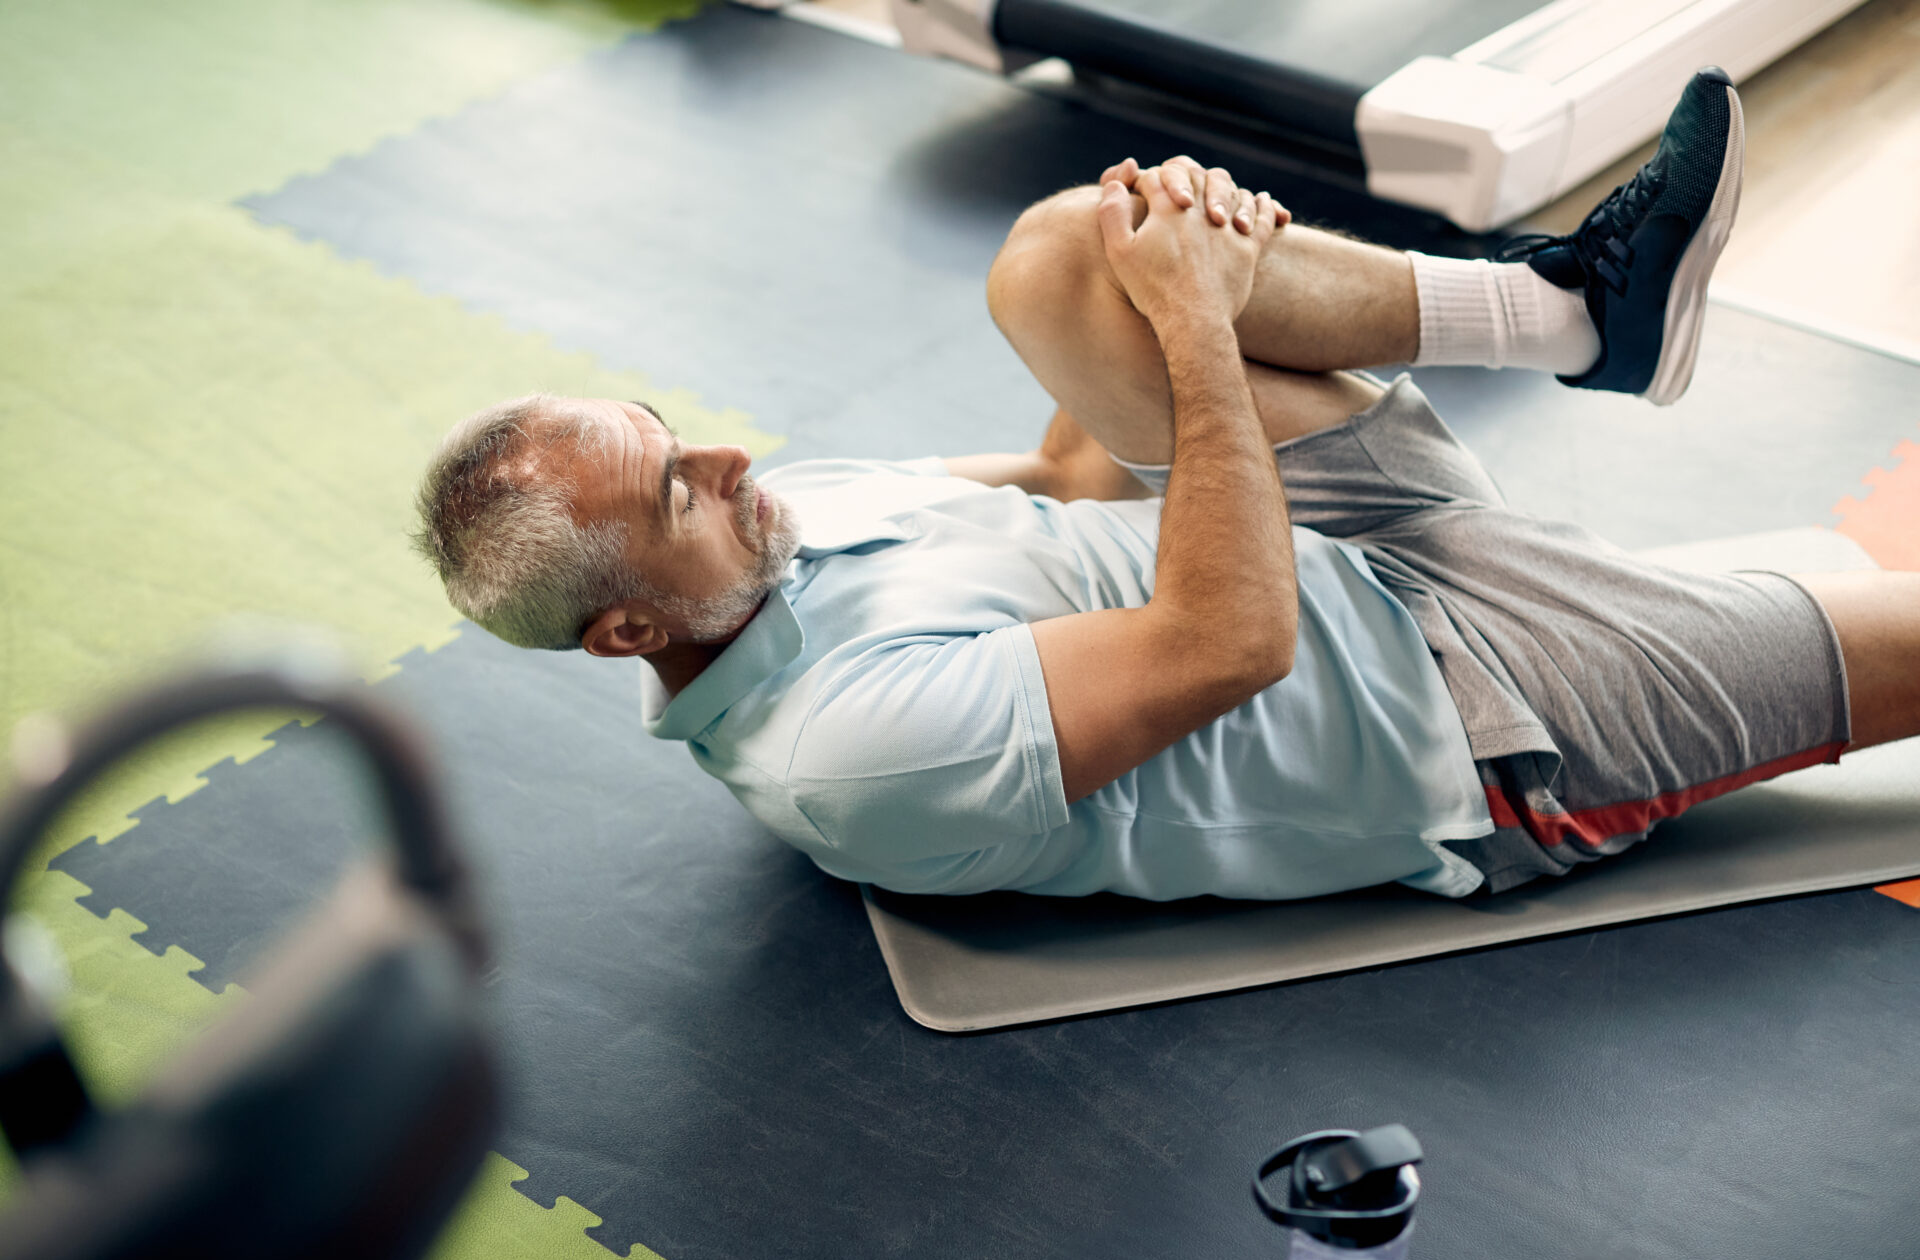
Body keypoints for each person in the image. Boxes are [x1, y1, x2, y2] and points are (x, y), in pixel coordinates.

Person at [413, 70, 1920, 900]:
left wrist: (1149, 264)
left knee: (1061, 253)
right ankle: (1573, 325)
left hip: (1341, 533)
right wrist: (1195, 319)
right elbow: (1230, 642)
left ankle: (1573, 317)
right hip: (1485, 721)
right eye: (679, 486)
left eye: (675, 431)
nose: (730, 459)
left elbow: (1073, 471)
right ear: (625, 630)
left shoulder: (774, 528)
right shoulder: (846, 755)